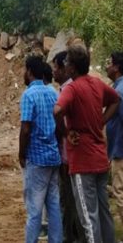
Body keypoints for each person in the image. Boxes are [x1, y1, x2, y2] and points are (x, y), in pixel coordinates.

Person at [54, 45, 120, 243]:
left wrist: (66, 132)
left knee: (88, 217)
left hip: (82, 162)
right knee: (104, 212)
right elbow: (115, 100)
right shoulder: (97, 84)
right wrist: (101, 120)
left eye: (66, 64)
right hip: (100, 158)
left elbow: (57, 111)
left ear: (72, 68)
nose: (65, 67)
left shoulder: (72, 88)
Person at [19, 55, 62, 243]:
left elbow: (26, 128)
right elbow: (60, 125)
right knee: (53, 206)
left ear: (29, 71)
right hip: (54, 156)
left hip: (36, 158)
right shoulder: (53, 93)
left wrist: (21, 153)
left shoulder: (28, 95)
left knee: (34, 210)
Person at [51, 51, 85, 243]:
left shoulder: (69, 91)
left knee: (72, 201)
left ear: (65, 68)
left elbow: (63, 121)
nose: (54, 71)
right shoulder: (66, 90)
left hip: (70, 156)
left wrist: (65, 154)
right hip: (68, 155)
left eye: (56, 67)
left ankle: (74, 237)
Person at [105, 52, 123, 232]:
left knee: (120, 192)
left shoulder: (119, 91)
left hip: (120, 150)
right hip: (117, 148)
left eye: (109, 63)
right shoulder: (117, 87)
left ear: (117, 67)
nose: (106, 66)